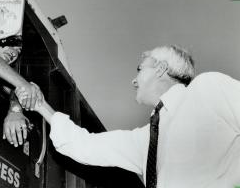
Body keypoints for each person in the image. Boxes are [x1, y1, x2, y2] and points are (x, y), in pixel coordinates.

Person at [12, 45, 240, 188]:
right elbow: (86, 145)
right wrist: (41, 106)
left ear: (160, 68)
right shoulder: (147, 140)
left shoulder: (207, 88)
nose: (134, 80)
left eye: (140, 69)